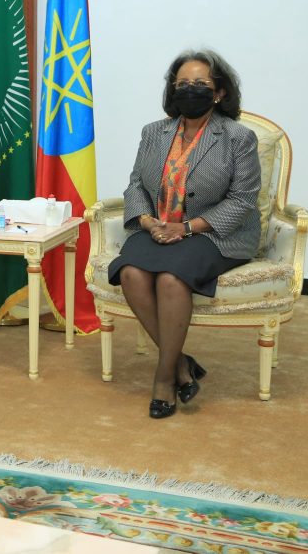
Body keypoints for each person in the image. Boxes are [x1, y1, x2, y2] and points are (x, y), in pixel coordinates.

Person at [107, 49, 261, 419]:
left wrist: (188, 227)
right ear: (172, 90)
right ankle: (180, 363)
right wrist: (147, 222)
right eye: (182, 84)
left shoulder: (238, 137)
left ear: (219, 92)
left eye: (200, 84)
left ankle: (164, 378)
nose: (190, 90)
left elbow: (243, 200)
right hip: (159, 226)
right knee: (130, 272)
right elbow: (135, 185)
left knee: (171, 279)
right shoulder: (153, 132)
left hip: (215, 233)